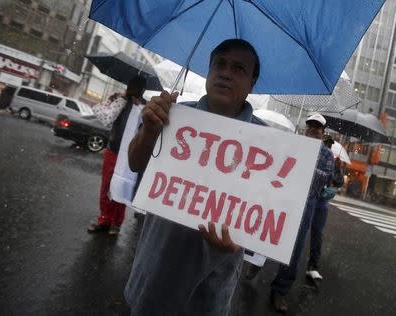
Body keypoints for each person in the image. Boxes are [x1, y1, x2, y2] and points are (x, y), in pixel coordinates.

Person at [124, 39, 265, 315]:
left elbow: (262, 218)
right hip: (152, 276)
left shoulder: (266, 145)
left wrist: (236, 243)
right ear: (209, 71)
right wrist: (150, 130)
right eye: (219, 64)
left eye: (239, 68)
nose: (225, 73)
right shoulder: (171, 115)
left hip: (208, 292)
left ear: (252, 83)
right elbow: (134, 162)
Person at [269, 113, 334, 313]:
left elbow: (326, 178)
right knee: (267, 232)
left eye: (317, 127)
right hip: (284, 196)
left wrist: (306, 166)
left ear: (323, 133)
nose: (313, 129)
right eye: (310, 126)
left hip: (307, 203)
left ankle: (280, 289)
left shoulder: (327, 154)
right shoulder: (295, 144)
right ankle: (257, 260)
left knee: (295, 247)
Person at [87, 75, 147, 236]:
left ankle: (115, 222)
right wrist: (112, 100)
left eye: (138, 88)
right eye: (134, 87)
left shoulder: (144, 107)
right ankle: (105, 219)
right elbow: (106, 119)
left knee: (121, 186)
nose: (135, 90)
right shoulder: (121, 102)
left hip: (129, 154)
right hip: (113, 150)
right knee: (107, 186)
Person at [306, 135, 343, 286]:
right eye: (326, 142)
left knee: (317, 235)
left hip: (322, 204)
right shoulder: (312, 154)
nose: (328, 146)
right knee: (298, 233)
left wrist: (338, 170)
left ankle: (313, 266)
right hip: (308, 199)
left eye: (330, 144)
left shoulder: (333, 161)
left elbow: (338, 182)